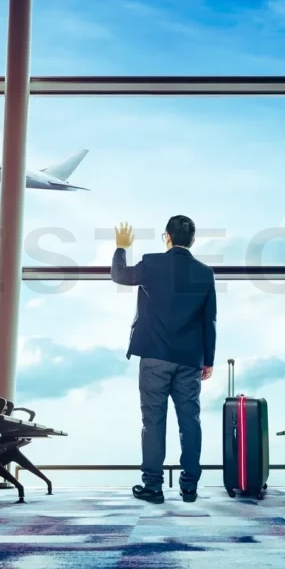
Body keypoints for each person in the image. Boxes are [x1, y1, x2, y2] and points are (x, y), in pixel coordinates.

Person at [111, 216, 217, 504]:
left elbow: (121, 276)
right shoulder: (205, 273)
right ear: (192, 241)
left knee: (153, 421)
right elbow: (210, 321)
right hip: (189, 360)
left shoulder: (152, 263)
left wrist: (121, 248)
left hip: (155, 357)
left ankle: (153, 487)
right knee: (190, 421)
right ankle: (190, 487)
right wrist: (208, 360)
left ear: (166, 237)